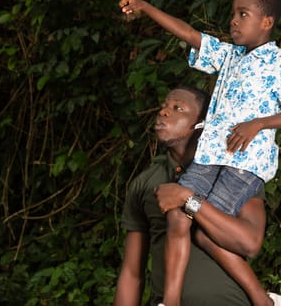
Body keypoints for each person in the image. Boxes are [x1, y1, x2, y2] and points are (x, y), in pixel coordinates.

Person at [113, 0, 281, 306]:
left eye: (243, 15)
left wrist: (258, 123)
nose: (233, 21)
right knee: (178, 216)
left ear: (267, 22)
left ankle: (264, 302)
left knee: (206, 233)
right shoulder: (229, 56)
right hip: (209, 156)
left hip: (244, 163)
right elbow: (190, 34)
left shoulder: (280, 60)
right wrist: (145, 6)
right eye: (233, 13)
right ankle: (171, 301)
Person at [114, 86, 268, 306]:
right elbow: (131, 273)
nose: (164, 112)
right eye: (164, 107)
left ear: (203, 123)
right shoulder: (145, 183)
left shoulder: (234, 175)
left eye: (178, 108)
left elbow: (249, 243)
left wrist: (188, 198)